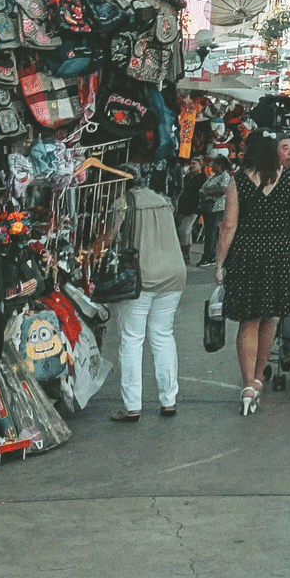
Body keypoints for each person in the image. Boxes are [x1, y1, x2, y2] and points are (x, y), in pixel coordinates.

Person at [214, 134, 290, 417]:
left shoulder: (238, 180)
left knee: (248, 320)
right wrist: (282, 228)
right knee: (271, 317)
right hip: (281, 253)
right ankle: (257, 376)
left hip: (247, 252)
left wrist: (219, 263)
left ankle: (247, 385)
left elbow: (229, 225)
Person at [108, 166, 187, 422]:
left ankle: (132, 405)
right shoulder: (163, 201)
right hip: (174, 273)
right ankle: (169, 400)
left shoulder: (123, 203)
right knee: (163, 335)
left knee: (132, 339)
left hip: (141, 276)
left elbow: (111, 238)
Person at [196, 152, 230, 265]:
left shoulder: (225, 176)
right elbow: (202, 188)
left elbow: (223, 190)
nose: (212, 166)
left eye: (214, 164)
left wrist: (207, 192)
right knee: (210, 231)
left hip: (217, 207)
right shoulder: (212, 177)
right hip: (207, 207)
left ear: (220, 165)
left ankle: (207, 256)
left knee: (211, 232)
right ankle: (212, 255)